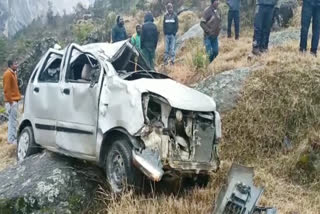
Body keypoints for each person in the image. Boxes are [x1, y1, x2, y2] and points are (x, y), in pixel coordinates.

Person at [3, 60, 21, 145]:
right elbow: (7, 89)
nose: (17, 65)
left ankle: (12, 138)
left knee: (13, 121)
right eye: (15, 64)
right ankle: (11, 140)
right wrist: (11, 102)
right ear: (11, 65)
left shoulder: (13, 73)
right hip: (11, 101)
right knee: (12, 121)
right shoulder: (8, 74)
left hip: (14, 100)